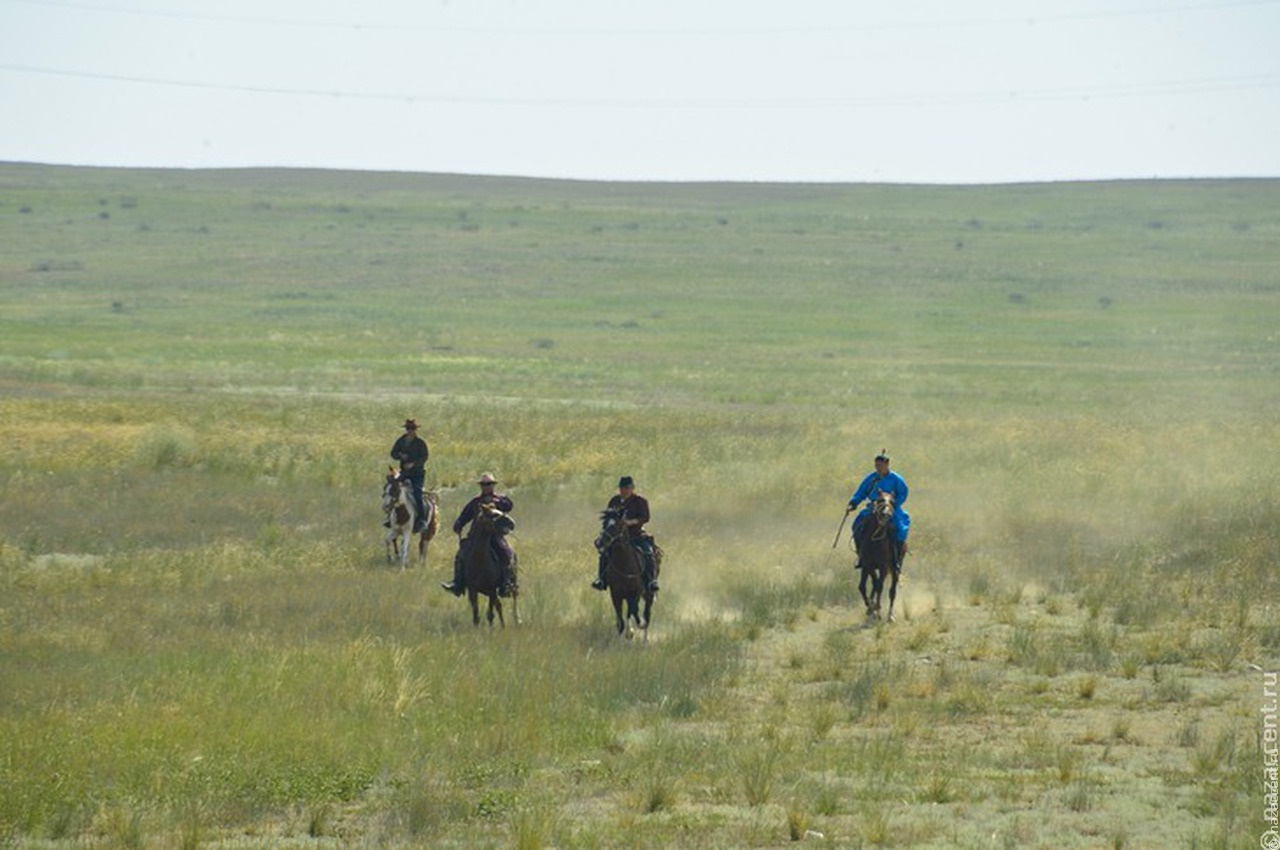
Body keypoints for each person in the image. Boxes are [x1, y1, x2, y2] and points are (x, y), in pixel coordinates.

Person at [441, 473, 515, 596]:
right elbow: (464, 516)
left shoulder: (500, 500)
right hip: (476, 537)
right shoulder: (475, 502)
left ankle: (507, 582)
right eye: (484, 484)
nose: (486, 487)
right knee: (461, 555)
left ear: (493, 485)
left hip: (495, 536)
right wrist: (458, 524)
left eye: (489, 484)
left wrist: (498, 502)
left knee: (507, 553)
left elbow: (509, 506)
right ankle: (458, 583)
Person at [846, 450, 911, 572]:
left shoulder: (896, 479)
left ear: (887, 464)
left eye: (880, 466)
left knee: (900, 528)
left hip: (892, 508)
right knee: (857, 525)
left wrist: (894, 505)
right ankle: (861, 556)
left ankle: (896, 560)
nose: (878, 468)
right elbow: (861, 492)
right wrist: (853, 503)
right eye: (876, 466)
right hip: (873, 508)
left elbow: (903, 494)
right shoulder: (872, 478)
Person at [592, 476, 659, 593]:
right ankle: (601, 579)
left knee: (648, 551)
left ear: (632, 488)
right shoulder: (614, 501)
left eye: (627, 488)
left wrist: (630, 522)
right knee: (604, 553)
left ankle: (651, 580)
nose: (624, 490)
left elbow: (645, 517)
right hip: (616, 536)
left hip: (636, 534)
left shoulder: (640, 501)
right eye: (622, 488)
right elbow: (608, 519)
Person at [389, 419, 429, 532]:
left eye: (412, 429)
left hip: (417, 474)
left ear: (415, 430)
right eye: (408, 429)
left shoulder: (420, 443)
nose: (410, 431)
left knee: (417, 494)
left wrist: (413, 464)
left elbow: (424, 457)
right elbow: (393, 453)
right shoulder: (401, 441)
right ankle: (391, 518)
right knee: (393, 490)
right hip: (405, 473)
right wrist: (400, 456)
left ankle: (421, 520)